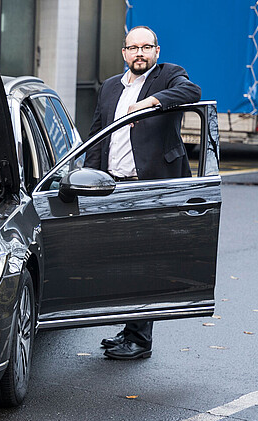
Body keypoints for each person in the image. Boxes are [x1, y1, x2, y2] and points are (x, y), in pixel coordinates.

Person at [85, 25, 201, 360]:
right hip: (113, 186)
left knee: (144, 264)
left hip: (151, 188)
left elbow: (191, 92)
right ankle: (129, 330)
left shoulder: (168, 76)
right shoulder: (109, 87)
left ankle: (139, 339)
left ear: (156, 51)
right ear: (124, 52)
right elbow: (97, 135)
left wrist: (149, 102)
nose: (139, 53)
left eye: (146, 47)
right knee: (121, 262)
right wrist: (89, 177)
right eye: (133, 48)